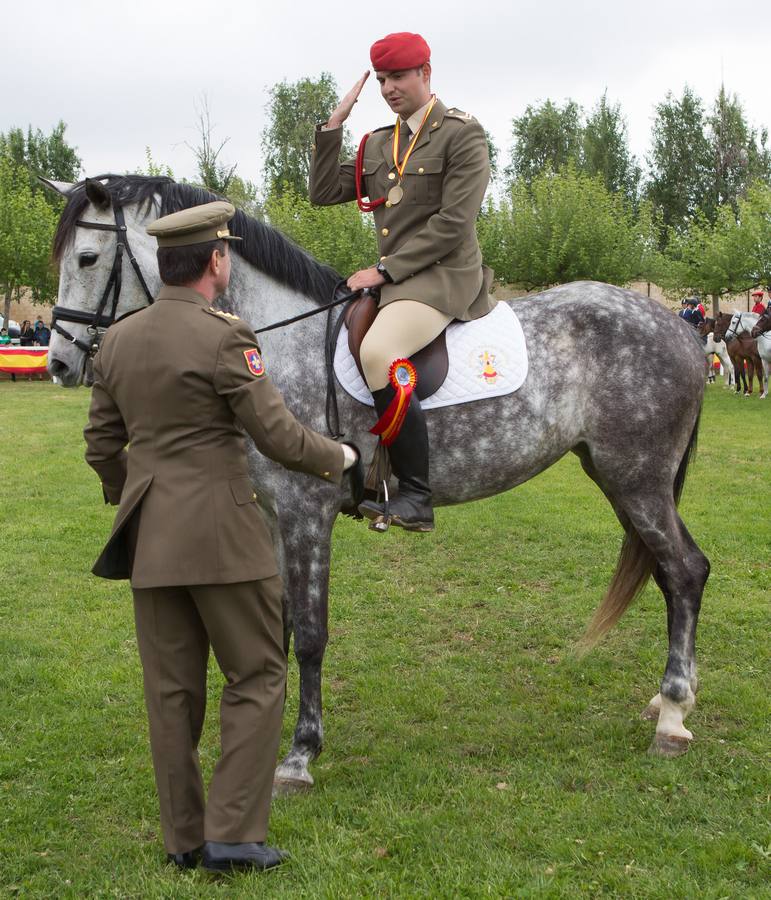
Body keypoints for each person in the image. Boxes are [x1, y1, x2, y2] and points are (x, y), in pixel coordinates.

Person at [83, 201, 358, 874]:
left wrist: (139, 493)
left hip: (150, 538)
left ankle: (183, 840)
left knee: (171, 693)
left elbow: (100, 446)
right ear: (215, 262)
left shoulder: (117, 340)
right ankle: (233, 833)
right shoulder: (227, 336)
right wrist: (342, 459)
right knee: (258, 674)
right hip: (226, 537)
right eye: (227, 253)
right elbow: (278, 436)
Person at [309, 31, 495, 533]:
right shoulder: (377, 143)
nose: (390, 88)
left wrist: (384, 271)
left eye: (399, 76)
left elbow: (454, 223)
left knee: (376, 352)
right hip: (400, 285)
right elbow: (324, 191)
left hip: (445, 278)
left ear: (425, 74)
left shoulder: (461, 134)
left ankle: (415, 493)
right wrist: (333, 125)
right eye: (383, 79)